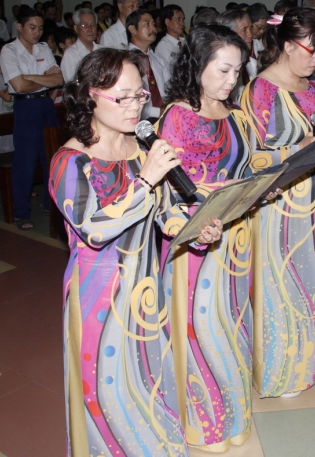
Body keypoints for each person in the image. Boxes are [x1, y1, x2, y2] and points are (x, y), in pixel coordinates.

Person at [49, 48, 221, 456]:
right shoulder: (69, 162)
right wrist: (144, 181)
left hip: (145, 288)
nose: (134, 106)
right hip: (98, 297)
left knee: (150, 381)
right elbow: (95, 229)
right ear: (90, 97)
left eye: (140, 95)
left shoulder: (142, 150)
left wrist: (198, 230)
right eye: (121, 97)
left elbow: (165, 214)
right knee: (107, 393)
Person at [156, 25, 255, 451]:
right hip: (196, 239)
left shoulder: (234, 112)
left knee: (232, 326)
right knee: (199, 330)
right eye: (223, 69)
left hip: (234, 235)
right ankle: (204, 423)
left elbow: (246, 167)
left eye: (238, 70)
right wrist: (204, 215)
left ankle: (233, 415)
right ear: (197, 65)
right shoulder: (178, 116)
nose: (232, 79)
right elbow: (169, 188)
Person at [240, 7, 315, 398]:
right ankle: (279, 369)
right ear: (288, 45)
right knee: (280, 282)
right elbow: (250, 157)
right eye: (312, 50)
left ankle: (306, 361)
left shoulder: (313, 88)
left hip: (313, 193)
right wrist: (298, 147)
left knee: (309, 279)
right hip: (277, 200)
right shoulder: (260, 90)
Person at [0, 6, 63, 231]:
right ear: (19, 27)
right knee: (25, 161)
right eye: (32, 27)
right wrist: (42, 79)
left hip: (46, 105)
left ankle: (50, 204)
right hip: (26, 106)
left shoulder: (43, 48)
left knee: (51, 157)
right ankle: (22, 211)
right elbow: (18, 86)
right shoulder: (9, 51)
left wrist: (30, 77)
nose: (37, 32)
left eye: (40, 28)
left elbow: (58, 80)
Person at [126, 9, 168, 117]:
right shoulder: (126, 61)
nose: (153, 28)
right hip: (138, 118)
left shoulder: (157, 59)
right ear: (133, 29)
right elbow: (128, 99)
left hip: (165, 117)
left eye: (153, 24)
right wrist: (158, 112)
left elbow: (168, 88)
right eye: (147, 24)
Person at [217, 8, 256, 101]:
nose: (250, 35)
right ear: (229, 34)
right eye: (244, 30)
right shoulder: (218, 66)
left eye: (250, 28)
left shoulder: (252, 63)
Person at [60, 8, 102, 82]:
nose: (90, 29)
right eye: (84, 25)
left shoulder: (102, 50)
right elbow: (71, 83)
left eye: (92, 25)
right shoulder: (71, 53)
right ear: (76, 28)